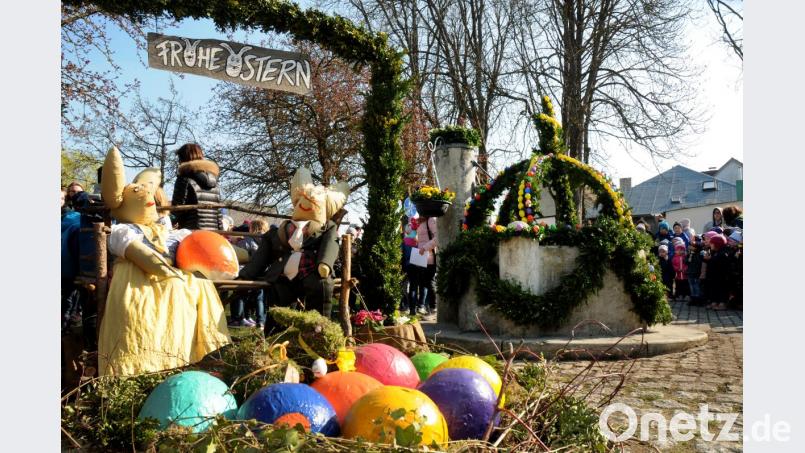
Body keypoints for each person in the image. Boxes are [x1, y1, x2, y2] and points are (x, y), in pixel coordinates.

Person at [171, 143, 223, 230]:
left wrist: (166, 223)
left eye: (179, 159)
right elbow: (218, 212)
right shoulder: (215, 181)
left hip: (191, 231)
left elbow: (177, 209)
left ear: (183, 159)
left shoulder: (184, 179)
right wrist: (221, 232)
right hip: (213, 232)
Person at [231, 220, 270, 328]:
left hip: (246, 272)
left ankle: (238, 318)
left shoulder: (247, 240)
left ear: (252, 228)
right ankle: (261, 321)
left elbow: (237, 255)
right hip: (261, 273)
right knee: (259, 297)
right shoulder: (267, 241)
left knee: (240, 294)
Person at [415, 215, 438, 315]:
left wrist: (424, 247)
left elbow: (438, 238)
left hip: (429, 257)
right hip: (420, 257)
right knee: (422, 283)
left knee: (429, 282)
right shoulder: (422, 221)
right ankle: (426, 308)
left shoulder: (431, 219)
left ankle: (433, 307)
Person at [686, 238, 704, 306]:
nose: (690, 247)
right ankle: (693, 298)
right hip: (690, 272)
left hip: (696, 272)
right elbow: (686, 262)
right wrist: (689, 257)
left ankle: (698, 299)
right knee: (691, 286)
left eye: (692, 246)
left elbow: (699, 263)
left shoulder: (699, 255)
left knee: (697, 286)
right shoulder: (690, 254)